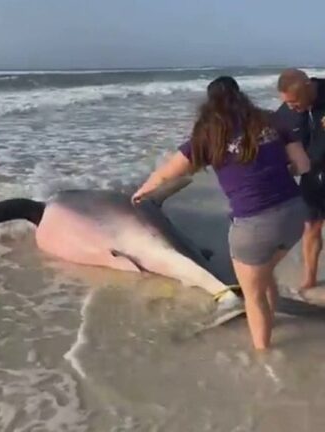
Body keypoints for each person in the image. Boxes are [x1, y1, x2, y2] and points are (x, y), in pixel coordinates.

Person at [132, 76, 310, 350]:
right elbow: (303, 165)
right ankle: (270, 320)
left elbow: (167, 173)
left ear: (209, 103)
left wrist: (142, 191)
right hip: (295, 213)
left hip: (253, 225)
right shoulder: (273, 121)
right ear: (240, 95)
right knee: (264, 275)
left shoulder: (207, 135)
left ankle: (264, 355)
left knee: (252, 295)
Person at [275, 69, 325, 292]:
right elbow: (272, 139)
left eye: (294, 101)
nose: (292, 107)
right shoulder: (286, 112)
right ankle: (310, 278)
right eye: (287, 103)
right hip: (312, 176)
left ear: (307, 87)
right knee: (311, 227)